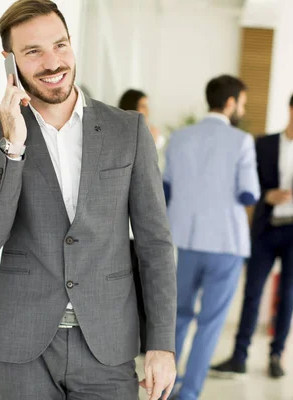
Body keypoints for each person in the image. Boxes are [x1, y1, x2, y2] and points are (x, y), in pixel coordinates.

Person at [0, 1, 177, 399]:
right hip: (23, 347)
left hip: (108, 345)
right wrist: (13, 147)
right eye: (33, 52)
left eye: (59, 45)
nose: (52, 62)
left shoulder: (127, 130)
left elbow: (154, 244)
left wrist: (161, 344)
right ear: (9, 62)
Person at [211, 90, 293, 379]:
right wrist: (267, 195)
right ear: (292, 110)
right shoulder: (263, 144)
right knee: (252, 293)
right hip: (266, 229)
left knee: (287, 294)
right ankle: (239, 357)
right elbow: (246, 182)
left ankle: (276, 356)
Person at [163, 75, 260, 400]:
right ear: (230, 102)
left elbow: (166, 188)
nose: (242, 109)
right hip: (226, 244)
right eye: (242, 103)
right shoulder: (242, 141)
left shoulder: (179, 137)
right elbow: (249, 194)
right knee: (211, 322)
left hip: (186, 240)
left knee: (178, 316)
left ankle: (165, 386)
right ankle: (188, 393)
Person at [117, 88, 164, 355]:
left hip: (143, 228)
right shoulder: (117, 133)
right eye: (143, 106)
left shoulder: (153, 135)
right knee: (130, 289)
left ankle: (147, 342)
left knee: (147, 287)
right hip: (124, 231)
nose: (147, 111)